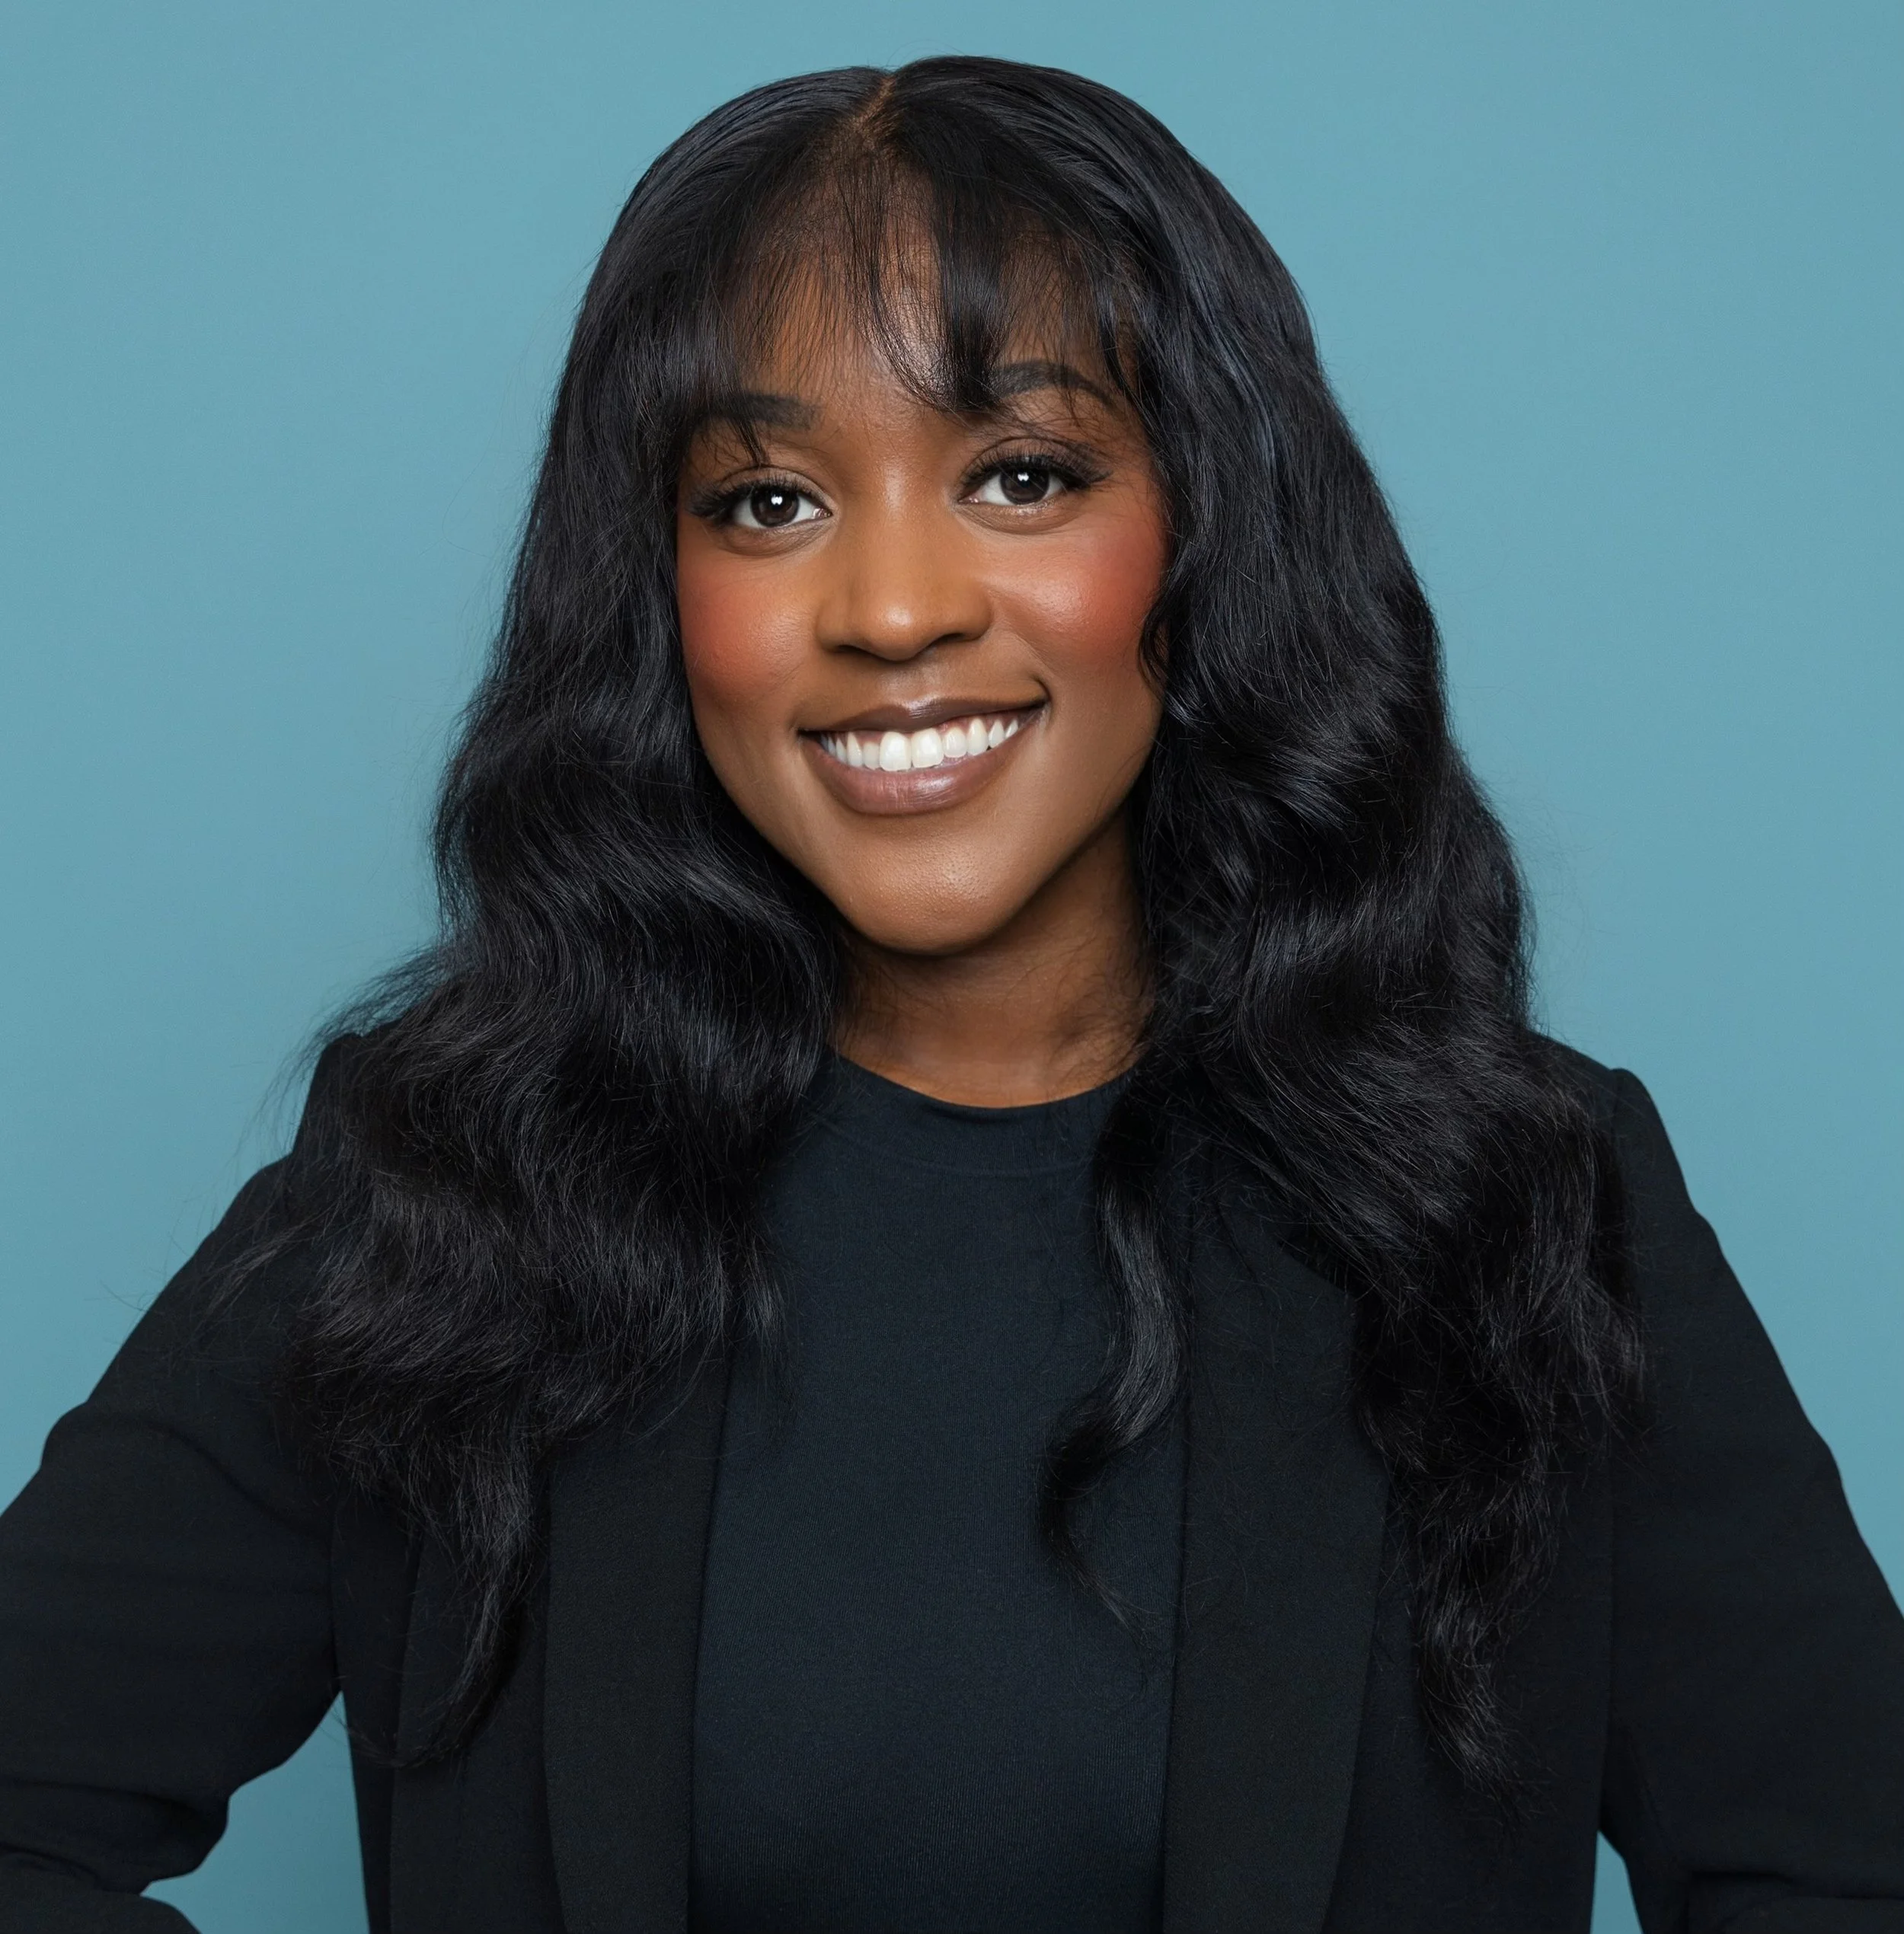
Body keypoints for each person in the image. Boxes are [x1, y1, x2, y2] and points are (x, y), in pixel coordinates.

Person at [0, 54, 1899, 1934]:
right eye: (763, 501)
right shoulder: (438, 1191)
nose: (891, 607)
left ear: (1203, 537)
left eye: (1020, 472)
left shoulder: (1526, 1202)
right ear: (655, 592)